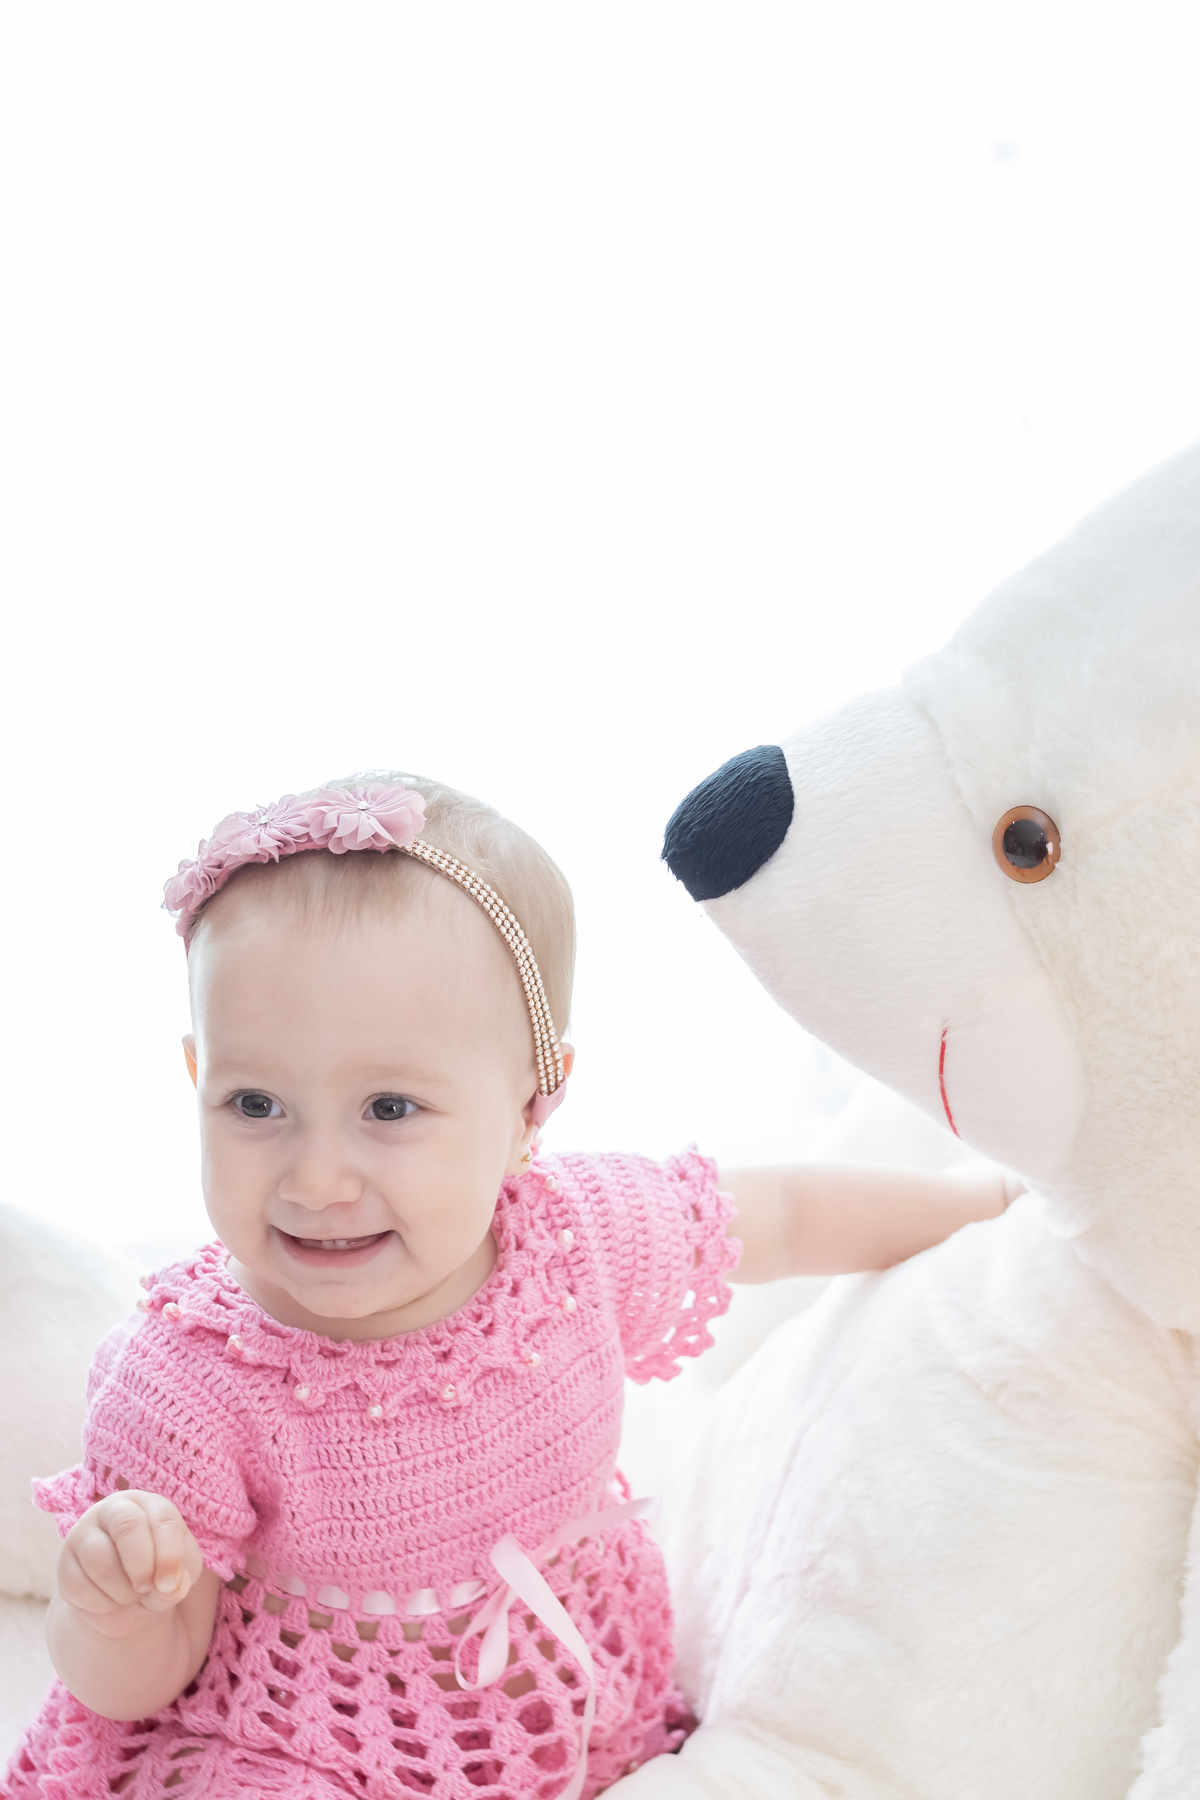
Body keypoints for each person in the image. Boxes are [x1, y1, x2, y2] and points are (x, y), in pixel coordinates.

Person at [3, 774, 1017, 1800]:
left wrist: (985, 1207)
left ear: (531, 1108)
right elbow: (137, 1685)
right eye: (255, 1102)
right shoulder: (184, 1378)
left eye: (389, 1107)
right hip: (301, 1744)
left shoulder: (577, 1235)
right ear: (196, 1077)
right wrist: (115, 1610)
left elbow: (787, 1216)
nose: (314, 1178)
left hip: (561, 1701)